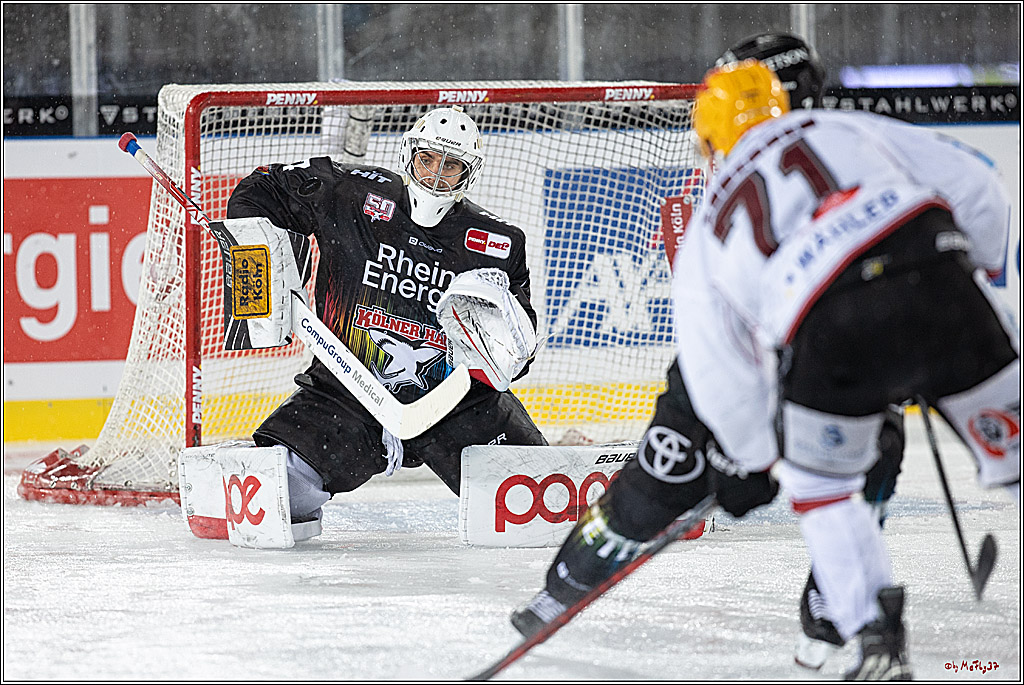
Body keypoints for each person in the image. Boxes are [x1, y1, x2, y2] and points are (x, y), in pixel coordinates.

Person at [223, 105, 548, 542]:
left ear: (468, 174)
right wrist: (256, 256)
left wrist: (500, 346)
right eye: (427, 159)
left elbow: (515, 357)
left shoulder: (500, 244)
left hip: (456, 404)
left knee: (541, 501)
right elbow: (261, 189)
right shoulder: (351, 194)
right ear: (408, 154)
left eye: (451, 165)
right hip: (346, 392)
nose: (436, 174)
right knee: (271, 495)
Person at [715, 32, 907, 671]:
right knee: (844, 458)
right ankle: (835, 605)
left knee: (872, 451)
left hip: (833, 338)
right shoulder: (743, 161)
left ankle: (837, 603)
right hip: (777, 349)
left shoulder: (843, 144)